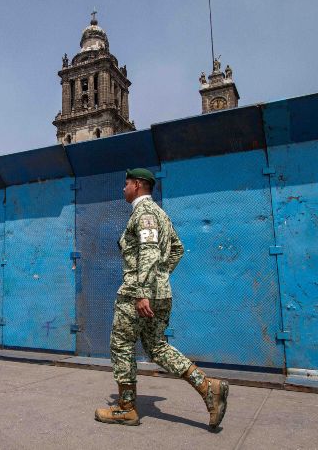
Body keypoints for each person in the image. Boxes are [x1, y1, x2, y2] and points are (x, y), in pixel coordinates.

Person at [94, 168, 229, 430]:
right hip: (161, 294)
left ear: (138, 184)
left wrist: (143, 290)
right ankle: (207, 387)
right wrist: (161, 277)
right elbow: (177, 248)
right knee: (156, 347)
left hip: (138, 294)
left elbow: (147, 251)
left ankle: (126, 408)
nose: (123, 189)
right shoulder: (162, 215)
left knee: (121, 345)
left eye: (126, 184)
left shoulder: (144, 213)